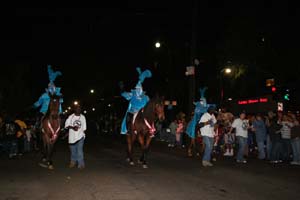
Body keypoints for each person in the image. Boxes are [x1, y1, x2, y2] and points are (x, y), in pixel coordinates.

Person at [120, 67, 152, 135]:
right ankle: (128, 129)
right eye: (137, 88)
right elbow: (125, 94)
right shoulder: (132, 94)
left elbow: (149, 105)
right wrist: (122, 89)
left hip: (142, 112)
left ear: (141, 89)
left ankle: (151, 130)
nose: (138, 89)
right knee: (128, 116)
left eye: (139, 88)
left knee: (150, 118)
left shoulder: (146, 97)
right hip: (133, 111)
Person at [64, 105, 87, 169]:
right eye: (77, 108)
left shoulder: (83, 117)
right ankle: (73, 162)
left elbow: (84, 128)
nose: (78, 110)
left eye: (80, 108)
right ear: (74, 109)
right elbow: (66, 125)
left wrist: (83, 134)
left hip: (80, 136)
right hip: (72, 137)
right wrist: (72, 127)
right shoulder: (71, 117)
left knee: (80, 150)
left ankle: (81, 164)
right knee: (73, 151)